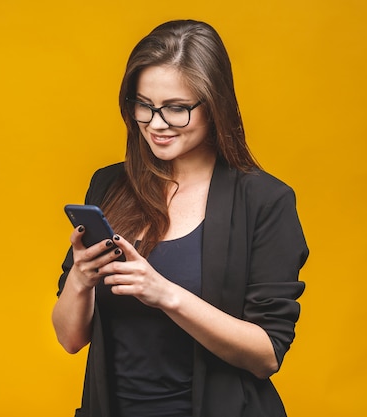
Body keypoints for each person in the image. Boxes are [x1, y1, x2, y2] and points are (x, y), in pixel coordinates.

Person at [52, 20, 308, 417]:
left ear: (215, 105)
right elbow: (70, 339)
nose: (156, 124)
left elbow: (266, 355)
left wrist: (165, 294)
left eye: (176, 109)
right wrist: (81, 280)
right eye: (144, 105)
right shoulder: (109, 185)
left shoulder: (264, 201)